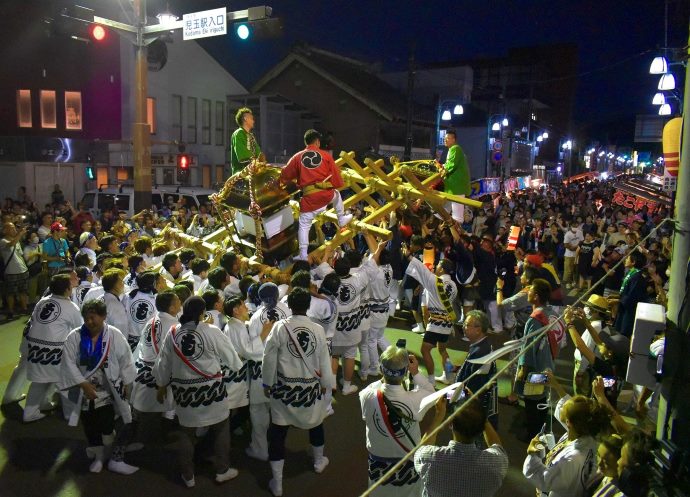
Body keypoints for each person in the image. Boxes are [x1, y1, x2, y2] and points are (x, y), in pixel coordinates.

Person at [153, 296, 243, 487]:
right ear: (202, 313)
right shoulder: (211, 331)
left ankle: (188, 475)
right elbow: (233, 362)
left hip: (184, 392)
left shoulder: (173, 332)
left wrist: (161, 384)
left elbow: (163, 363)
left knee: (186, 431)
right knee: (220, 428)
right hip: (211, 390)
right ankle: (222, 470)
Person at [262, 287, 336, 497]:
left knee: (278, 432)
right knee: (316, 423)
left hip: (283, 388)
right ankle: (319, 461)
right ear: (308, 305)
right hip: (310, 388)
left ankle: (277, 482)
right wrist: (326, 383)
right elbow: (324, 360)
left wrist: (267, 383)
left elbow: (268, 358)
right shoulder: (318, 330)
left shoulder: (279, 327)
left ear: (290, 306)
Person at [59, 299, 139, 475]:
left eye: (93, 318)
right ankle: (98, 455)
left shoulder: (114, 335)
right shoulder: (75, 336)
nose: (89, 322)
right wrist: (83, 383)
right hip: (84, 391)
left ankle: (110, 454)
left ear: (103, 316)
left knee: (108, 423)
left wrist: (127, 382)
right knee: (90, 425)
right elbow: (68, 363)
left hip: (109, 390)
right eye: (86, 318)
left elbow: (126, 360)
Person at [359, 345, 440, 497]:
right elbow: (431, 392)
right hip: (408, 460)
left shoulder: (367, 395)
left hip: (379, 462)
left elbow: (375, 392)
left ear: (382, 370)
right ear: (405, 372)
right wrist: (415, 372)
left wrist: (387, 373)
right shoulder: (416, 399)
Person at [279, 129, 353, 261]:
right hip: (326, 195)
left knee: (304, 225)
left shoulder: (298, 156)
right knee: (336, 194)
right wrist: (332, 185)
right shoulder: (326, 156)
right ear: (318, 142)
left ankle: (302, 255)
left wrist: (295, 179)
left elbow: (285, 175)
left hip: (309, 199)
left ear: (306, 142)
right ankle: (341, 218)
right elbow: (337, 180)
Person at [414, 398, 509, 497]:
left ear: (451, 424)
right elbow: (497, 445)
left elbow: (421, 449)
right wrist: (481, 416)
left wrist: (439, 415)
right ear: (482, 428)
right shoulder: (496, 463)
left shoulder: (430, 458)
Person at [23, 274, 83, 422]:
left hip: (35, 347)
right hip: (53, 351)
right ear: (68, 289)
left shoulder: (42, 301)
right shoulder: (70, 306)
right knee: (66, 381)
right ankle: (70, 415)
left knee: (40, 379)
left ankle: (35, 408)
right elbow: (80, 330)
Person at [244, 282, 291, 461]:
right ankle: (279, 447)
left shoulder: (256, 317)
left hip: (262, 370)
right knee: (279, 412)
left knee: (258, 411)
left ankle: (260, 449)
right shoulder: (287, 311)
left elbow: (253, 347)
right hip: (284, 368)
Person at [401, 244, 458, 386]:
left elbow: (421, 269)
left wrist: (409, 256)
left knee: (424, 350)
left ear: (442, 269)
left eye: (438, 265)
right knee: (442, 350)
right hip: (447, 323)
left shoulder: (436, 281)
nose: (436, 267)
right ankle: (448, 375)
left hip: (436, 323)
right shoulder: (453, 285)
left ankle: (431, 379)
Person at [516, 278, 558, 439]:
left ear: (537, 296)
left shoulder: (535, 319)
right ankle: (541, 429)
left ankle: (533, 435)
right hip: (549, 363)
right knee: (542, 396)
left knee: (532, 400)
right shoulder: (551, 313)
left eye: (531, 290)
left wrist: (523, 370)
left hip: (536, 367)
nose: (528, 292)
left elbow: (528, 348)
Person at [453, 310, 498, 427]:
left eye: (467, 325)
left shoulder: (480, 352)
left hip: (472, 410)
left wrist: (451, 397)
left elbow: (473, 389)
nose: (463, 327)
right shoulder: (483, 345)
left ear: (478, 329)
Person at [611, 250, 648, 337]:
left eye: (628, 258)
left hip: (629, 310)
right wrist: (616, 297)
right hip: (624, 307)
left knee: (624, 333)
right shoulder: (632, 273)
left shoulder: (637, 277)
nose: (625, 259)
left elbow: (632, 296)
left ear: (633, 262)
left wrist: (617, 300)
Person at [436, 129, 471, 222]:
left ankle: (456, 231)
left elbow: (450, 165)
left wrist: (441, 169)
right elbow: (449, 164)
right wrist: (441, 166)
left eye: (447, 138)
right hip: (452, 186)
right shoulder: (452, 149)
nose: (445, 140)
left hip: (457, 186)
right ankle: (439, 224)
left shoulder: (455, 148)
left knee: (457, 214)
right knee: (444, 210)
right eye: (445, 138)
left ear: (454, 139)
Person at [1, 221, 30, 317]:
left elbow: (20, 255)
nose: (14, 229)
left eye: (14, 227)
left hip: (22, 270)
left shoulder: (16, 241)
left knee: (24, 291)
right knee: (10, 293)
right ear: (5, 230)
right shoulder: (3, 241)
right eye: (11, 228)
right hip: (11, 272)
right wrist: (20, 233)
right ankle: (10, 310)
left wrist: (25, 267)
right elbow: (11, 244)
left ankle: (24, 308)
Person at [229, 107, 264, 175]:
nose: (253, 121)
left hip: (252, 174)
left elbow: (259, 154)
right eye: (251, 118)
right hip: (241, 177)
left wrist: (261, 160)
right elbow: (243, 157)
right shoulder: (238, 133)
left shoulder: (251, 136)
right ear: (245, 118)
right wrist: (256, 160)